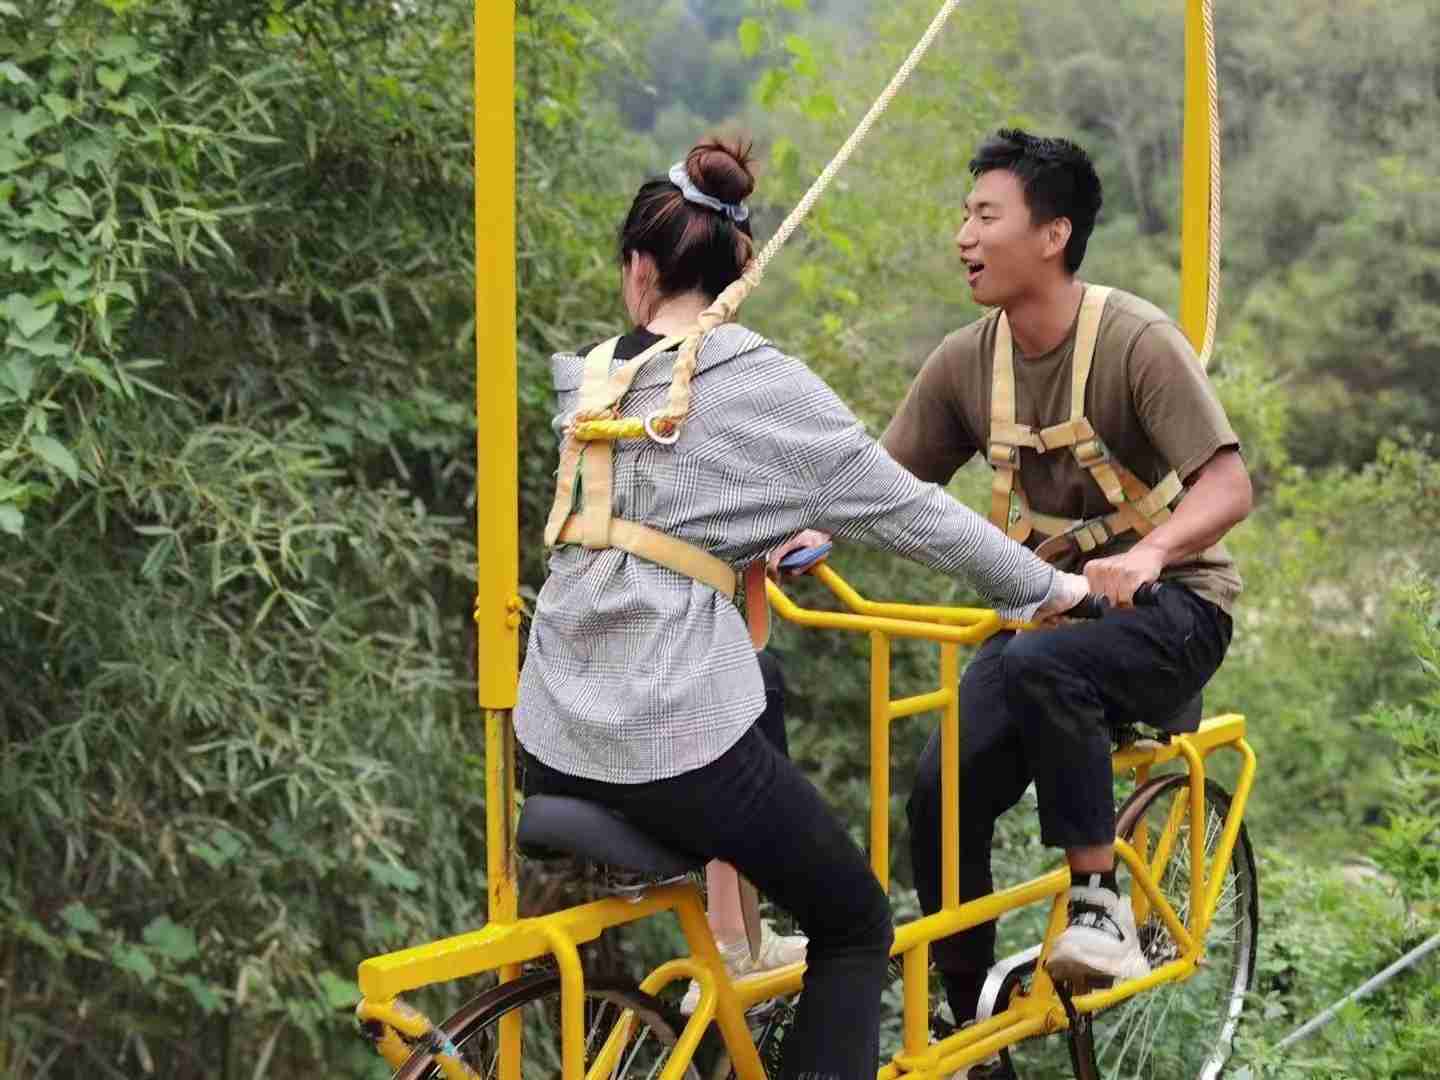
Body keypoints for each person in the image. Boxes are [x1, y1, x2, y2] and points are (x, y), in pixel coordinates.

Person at [514, 136, 1091, 1080]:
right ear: (743, 269)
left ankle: (735, 945)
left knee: (760, 676)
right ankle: (759, 960)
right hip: (664, 735)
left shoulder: (591, 381)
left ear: (640, 272)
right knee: (857, 921)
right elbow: (911, 511)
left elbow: (663, 512)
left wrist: (750, 533)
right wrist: (1049, 586)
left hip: (556, 727)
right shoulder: (752, 381)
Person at [770, 129, 1252, 1070]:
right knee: (939, 792)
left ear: (1053, 234)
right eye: (965, 215)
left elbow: (1229, 487)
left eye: (986, 215)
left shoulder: (1134, 341)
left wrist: (1149, 553)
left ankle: (1099, 906)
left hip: (1177, 612)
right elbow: (880, 481)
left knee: (1040, 663)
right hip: (1054, 621)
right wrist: (801, 530)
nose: (964, 235)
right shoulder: (966, 363)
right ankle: (967, 1021)